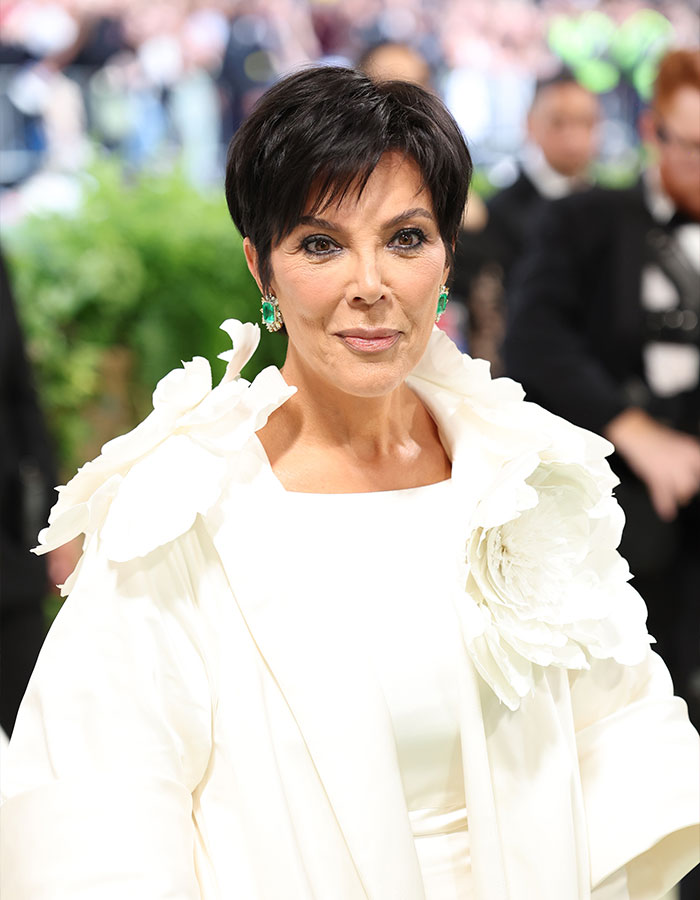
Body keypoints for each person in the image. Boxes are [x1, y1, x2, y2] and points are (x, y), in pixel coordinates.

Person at [1, 66, 698, 900]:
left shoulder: (521, 475)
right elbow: (99, 824)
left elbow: (622, 739)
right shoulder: (185, 512)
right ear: (261, 269)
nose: (371, 284)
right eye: (321, 244)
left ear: (445, 257)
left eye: (406, 238)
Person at [504, 48, 700, 754]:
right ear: (654, 131)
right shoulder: (586, 220)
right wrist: (635, 430)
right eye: (692, 146)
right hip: (621, 510)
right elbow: (532, 338)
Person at [453, 68, 600, 372]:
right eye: (558, 122)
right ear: (531, 125)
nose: (574, 135)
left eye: (586, 122)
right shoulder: (498, 214)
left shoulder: (609, 207)